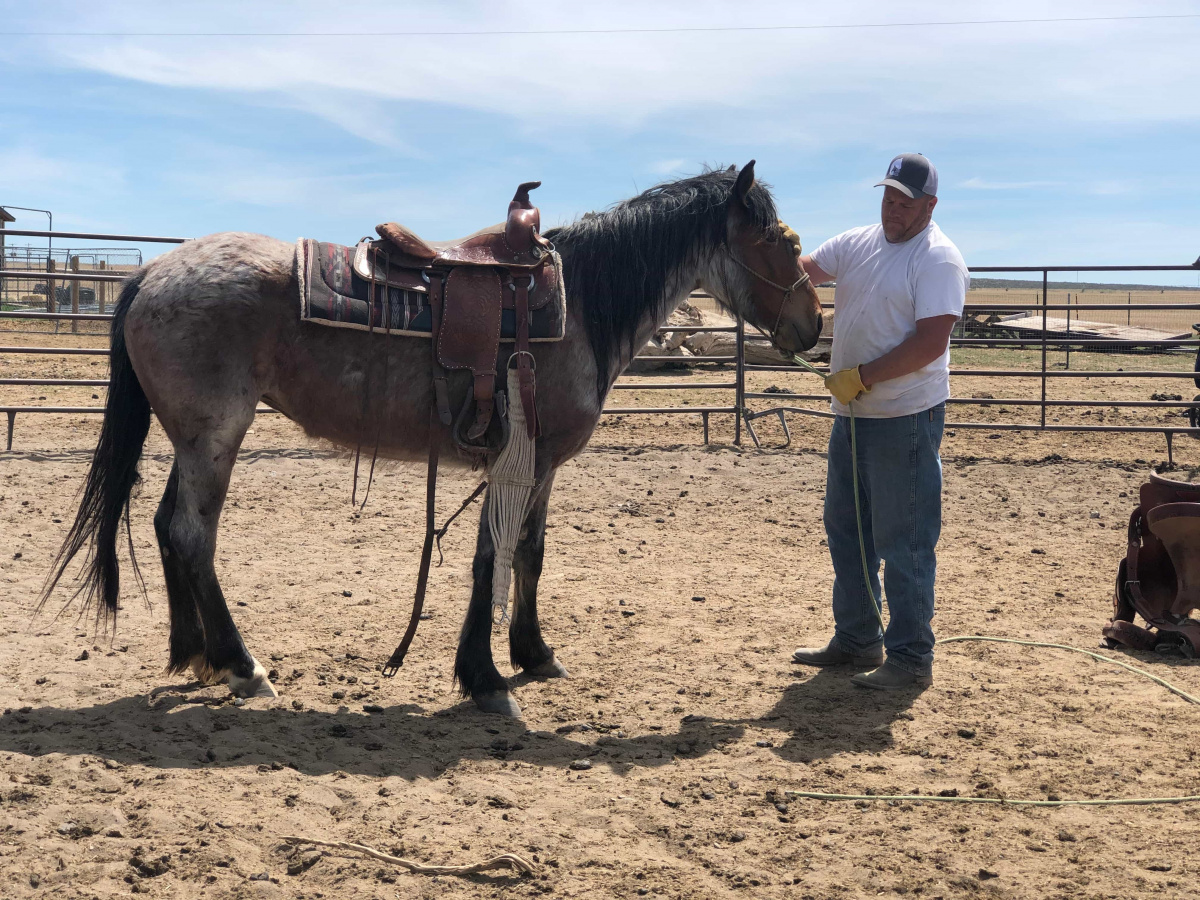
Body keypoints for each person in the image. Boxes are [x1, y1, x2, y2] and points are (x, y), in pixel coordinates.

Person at [791, 153, 969, 690]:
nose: (893, 209)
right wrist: (777, 254)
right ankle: (856, 637)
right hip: (852, 414)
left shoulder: (937, 259)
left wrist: (862, 375)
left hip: (904, 416)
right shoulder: (858, 242)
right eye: (888, 198)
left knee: (904, 538)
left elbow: (930, 344)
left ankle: (912, 657)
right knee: (847, 528)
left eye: (904, 203)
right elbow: (805, 273)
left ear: (929, 206)